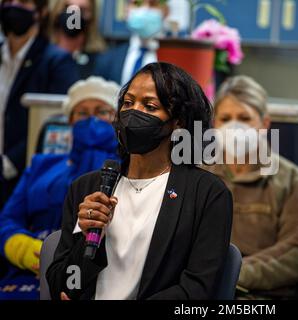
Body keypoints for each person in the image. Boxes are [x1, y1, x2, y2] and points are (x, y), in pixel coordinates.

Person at [46, 62, 233, 300]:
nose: (133, 113)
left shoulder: (206, 194)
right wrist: (85, 239)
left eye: (150, 106)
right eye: (127, 103)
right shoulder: (87, 188)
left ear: (179, 123)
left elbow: (198, 290)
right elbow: (62, 285)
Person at [204, 75, 298, 299]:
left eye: (244, 118)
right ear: (215, 124)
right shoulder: (199, 176)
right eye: (226, 118)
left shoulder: (291, 181)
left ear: (264, 124)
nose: (234, 127)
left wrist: (234, 274)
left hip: (261, 297)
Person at [0, 76, 119, 300]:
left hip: (93, 274)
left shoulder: (125, 171)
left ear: (116, 120)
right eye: (82, 113)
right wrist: (26, 251)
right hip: (27, 272)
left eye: (102, 112)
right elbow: (7, 220)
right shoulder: (41, 164)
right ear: (70, 119)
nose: (92, 120)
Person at [0, 0, 80, 210]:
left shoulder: (57, 61)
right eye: (8, 1)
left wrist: (7, 163)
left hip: (21, 175)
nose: (14, 6)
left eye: (24, 2)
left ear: (41, 12)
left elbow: (54, 123)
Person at [94, 0, 168, 85]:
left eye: (152, 4)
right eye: (137, 3)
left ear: (166, 10)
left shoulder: (175, 59)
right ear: (126, 10)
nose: (145, 9)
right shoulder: (106, 59)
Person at [49, 0, 107, 78]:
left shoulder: (101, 62)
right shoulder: (41, 57)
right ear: (57, 11)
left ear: (91, 16)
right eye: (68, 7)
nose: (73, 15)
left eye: (82, 10)